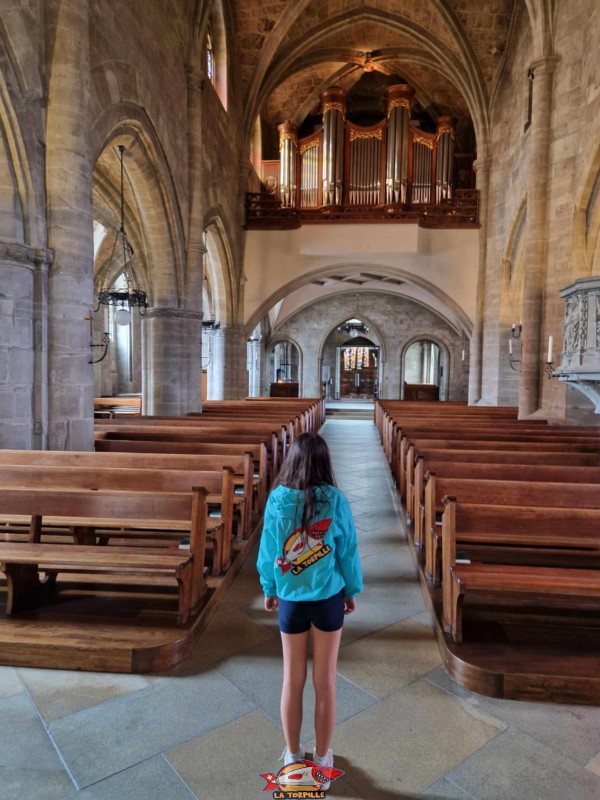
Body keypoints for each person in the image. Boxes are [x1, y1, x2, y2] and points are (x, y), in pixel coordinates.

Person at [257, 431, 363, 783]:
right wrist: (351, 589)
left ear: (293, 460)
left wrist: (270, 587)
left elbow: (270, 550)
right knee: (325, 682)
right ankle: (322, 757)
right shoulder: (334, 499)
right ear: (323, 461)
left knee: (292, 679)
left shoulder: (277, 500)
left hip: (291, 600)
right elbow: (347, 550)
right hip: (328, 599)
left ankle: (292, 755)